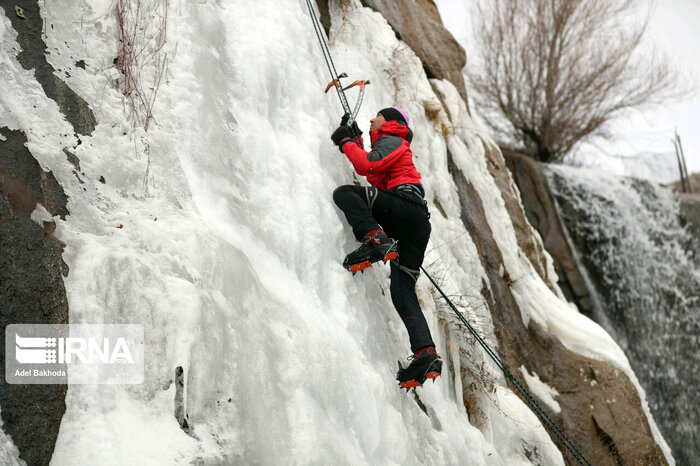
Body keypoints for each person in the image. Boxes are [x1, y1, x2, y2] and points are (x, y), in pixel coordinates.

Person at [330, 107, 442, 389]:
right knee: (402, 290)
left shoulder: (395, 137)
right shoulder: (389, 144)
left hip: (405, 209)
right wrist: (355, 142)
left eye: (376, 116)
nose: (371, 119)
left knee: (344, 193)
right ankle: (425, 353)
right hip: (413, 222)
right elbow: (376, 173)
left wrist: (345, 142)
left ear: (391, 121)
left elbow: (367, 166)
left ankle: (375, 238)